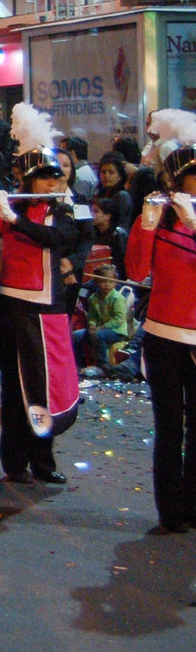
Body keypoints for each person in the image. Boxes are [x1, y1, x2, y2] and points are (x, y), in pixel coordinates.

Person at [0, 105, 87, 487]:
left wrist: (16, 221)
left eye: (55, 177)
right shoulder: (8, 208)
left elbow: (58, 240)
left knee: (43, 386)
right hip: (8, 309)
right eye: (44, 178)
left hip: (47, 310)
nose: (52, 184)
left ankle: (43, 461)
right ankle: (14, 461)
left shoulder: (66, 211)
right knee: (13, 387)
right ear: (29, 180)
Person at [125, 111, 196, 531]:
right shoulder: (158, 216)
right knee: (169, 426)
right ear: (175, 181)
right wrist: (147, 226)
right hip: (165, 334)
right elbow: (135, 272)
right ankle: (171, 511)